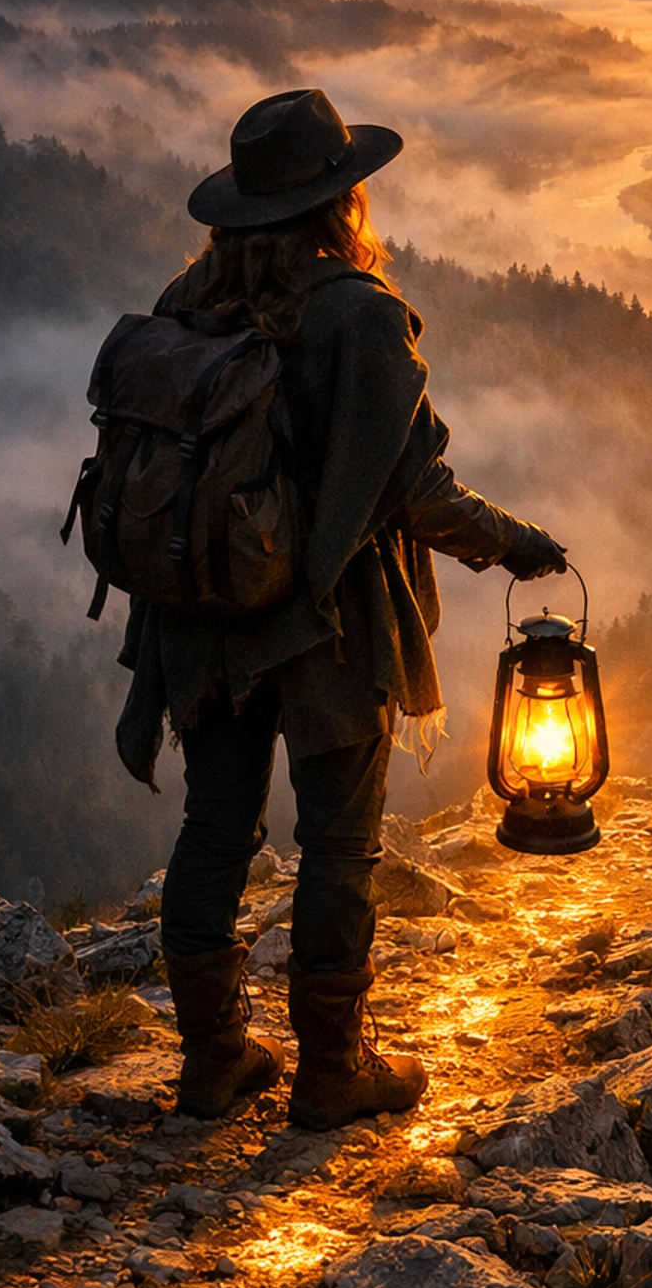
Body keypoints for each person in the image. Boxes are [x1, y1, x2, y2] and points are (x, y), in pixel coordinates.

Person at [114, 89, 567, 1129]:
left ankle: (215, 1061)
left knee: (214, 827)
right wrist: (519, 548)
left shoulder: (188, 300)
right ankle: (330, 1072)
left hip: (208, 619)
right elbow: (415, 490)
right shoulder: (361, 317)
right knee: (337, 847)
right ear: (340, 200)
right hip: (328, 623)